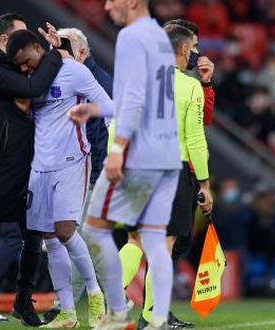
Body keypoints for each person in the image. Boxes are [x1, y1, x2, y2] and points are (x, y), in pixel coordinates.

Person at [68, 0, 181, 328]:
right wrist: (96, 110)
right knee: (155, 238)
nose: (106, 6)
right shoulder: (161, 37)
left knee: (94, 228)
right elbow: (146, 96)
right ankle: (159, 319)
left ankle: (117, 311)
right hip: (168, 154)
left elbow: (133, 99)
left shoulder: (131, 36)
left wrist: (118, 147)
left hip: (140, 153)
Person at [117, 19, 216, 329]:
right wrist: (204, 182)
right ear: (183, 48)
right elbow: (196, 138)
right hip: (172, 170)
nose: (192, 56)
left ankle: (106, 301)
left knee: (135, 240)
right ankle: (152, 316)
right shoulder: (189, 87)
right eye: (191, 50)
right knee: (164, 245)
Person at [7, 29, 108, 328]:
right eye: (20, 66)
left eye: (26, 61)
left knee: (65, 231)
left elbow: (108, 104)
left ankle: (94, 294)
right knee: (49, 240)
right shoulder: (30, 82)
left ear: (39, 48)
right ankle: (67, 313)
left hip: (72, 160)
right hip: (39, 167)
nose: (24, 68)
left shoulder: (74, 72)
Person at [0, 13, 63, 327]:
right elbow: (34, 88)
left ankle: (24, 301)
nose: (28, 43)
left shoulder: (14, 65)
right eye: (21, 36)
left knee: (34, 239)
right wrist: (52, 55)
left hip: (26, 165)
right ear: (5, 40)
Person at [43, 27, 113, 325]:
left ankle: (68, 305)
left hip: (89, 169)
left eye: (63, 49)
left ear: (81, 53)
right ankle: (100, 297)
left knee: (73, 235)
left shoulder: (97, 83)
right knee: (69, 238)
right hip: (60, 166)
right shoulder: (63, 76)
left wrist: (96, 169)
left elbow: (102, 132)